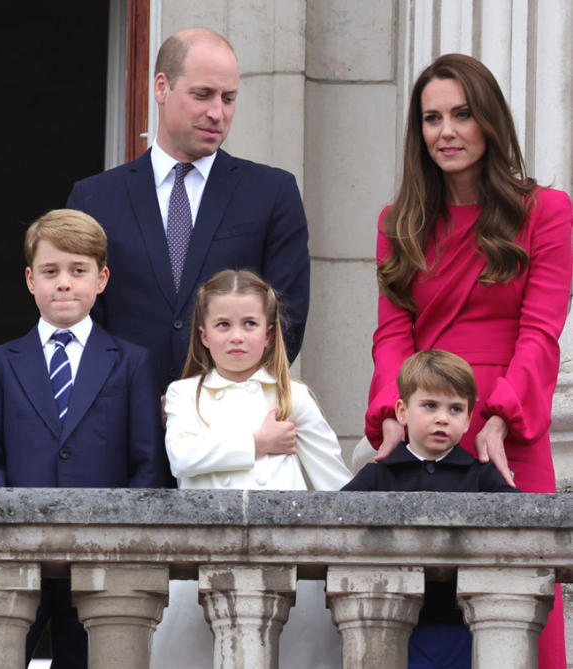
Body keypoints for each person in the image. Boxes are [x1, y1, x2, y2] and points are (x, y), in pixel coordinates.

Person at [365, 53, 571, 668]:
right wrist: (393, 415)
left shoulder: (546, 210)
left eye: (461, 114)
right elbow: (391, 333)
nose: (446, 132)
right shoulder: (397, 221)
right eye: (431, 118)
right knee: (416, 613)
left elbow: (541, 329)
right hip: (424, 421)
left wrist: (502, 418)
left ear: (489, 121)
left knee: (524, 603)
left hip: (507, 428)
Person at [65, 28, 310, 432]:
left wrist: (219, 399)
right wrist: (128, 402)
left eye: (229, 98)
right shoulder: (95, 198)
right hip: (121, 430)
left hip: (233, 429)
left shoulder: (272, 193)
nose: (218, 112)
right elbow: (80, 317)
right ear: (162, 87)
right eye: (203, 95)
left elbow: (286, 317)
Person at [0, 208, 164, 668]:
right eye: (51, 271)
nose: (64, 283)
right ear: (30, 279)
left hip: (101, 555)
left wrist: (125, 543)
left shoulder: (131, 361)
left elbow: (146, 462)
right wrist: (1, 533)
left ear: (102, 279)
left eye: (79, 271)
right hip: (19, 554)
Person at [154, 269, 350, 668]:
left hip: (285, 564)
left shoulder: (292, 396)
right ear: (204, 334)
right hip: (202, 562)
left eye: (249, 324)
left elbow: (336, 484)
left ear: (270, 333)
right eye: (223, 325)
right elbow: (183, 457)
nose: (237, 337)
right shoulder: (184, 394)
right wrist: (258, 443)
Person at [348, 349, 517, 669]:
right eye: (430, 405)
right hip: (392, 622)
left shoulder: (480, 475)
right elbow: (334, 522)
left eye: (455, 409)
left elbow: (520, 522)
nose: (443, 418)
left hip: (464, 624)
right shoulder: (379, 474)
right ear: (402, 411)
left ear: (468, 419)